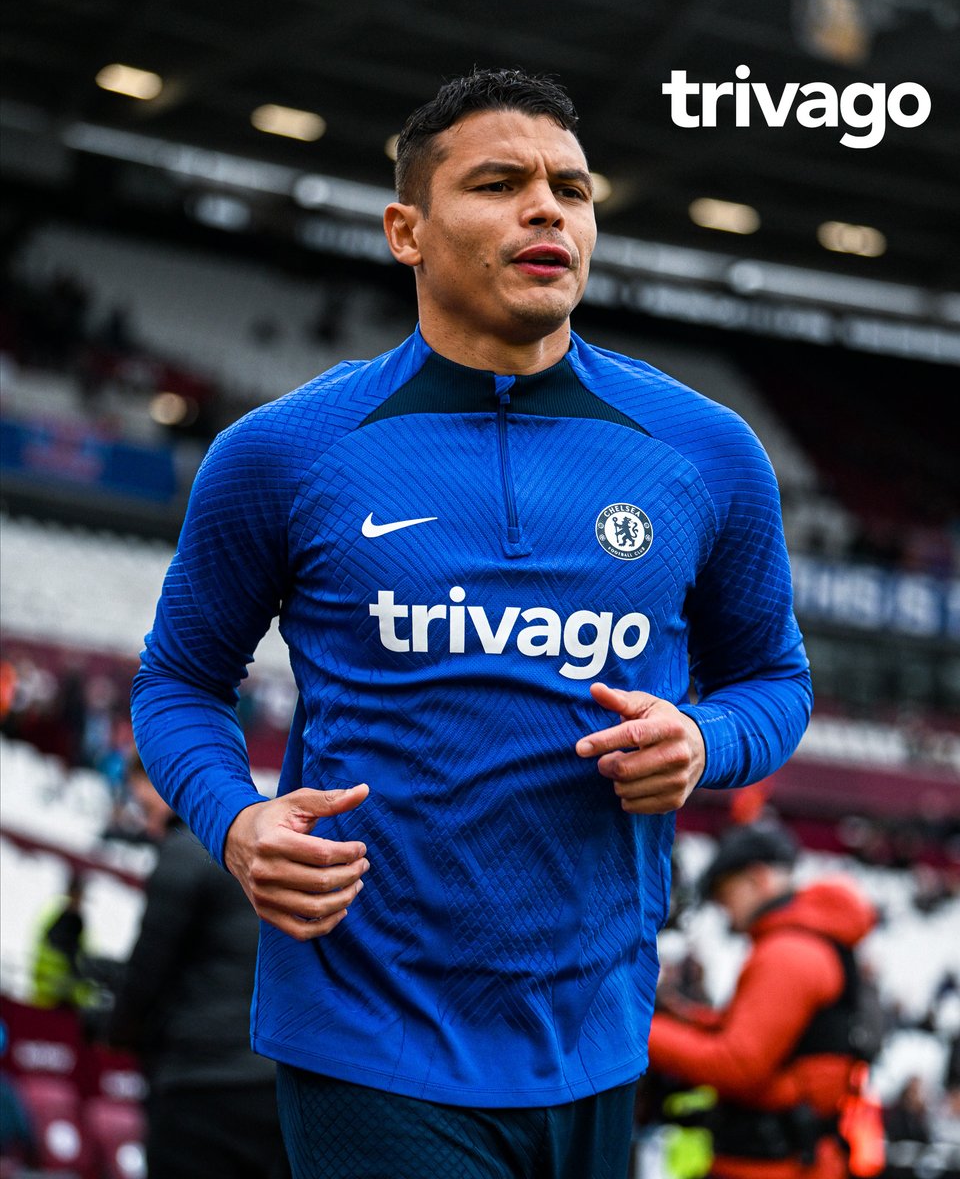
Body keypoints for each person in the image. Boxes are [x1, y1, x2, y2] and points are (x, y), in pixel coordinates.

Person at [130, 67, 813, 1179]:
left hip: (597, 1035)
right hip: (366, 1030)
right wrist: (236, 821)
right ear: (406, 230)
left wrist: (705, 739)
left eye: (572, 190)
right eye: (499, 184)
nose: (548, 209)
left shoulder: (709, 452)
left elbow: (776, 682)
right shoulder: (283, 453)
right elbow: (177, 682)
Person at [647, 821, 879, 1179]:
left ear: (757, 879)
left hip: (772, 1167)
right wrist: (683, 1018)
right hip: (788, 1160)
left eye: (726, 895)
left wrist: (639, 1032)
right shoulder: (806, 944)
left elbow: (738, 1065)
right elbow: (765, 1039)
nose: (725, 910)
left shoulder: (788, 953)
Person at [107, 772, 288, 1179]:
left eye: (145, 804)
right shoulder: (274, 851)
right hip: (276, 1086)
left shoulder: (186, 849)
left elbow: (146, 973)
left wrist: (115, 1032)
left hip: (199, 1088)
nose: (145, 821)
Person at [30, 870, 99, 1010]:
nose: (77, 900)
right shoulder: (58, 919)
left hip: (67, 999)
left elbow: (83, 961)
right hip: (49, 995)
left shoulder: (79, 924)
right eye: (76, 894)